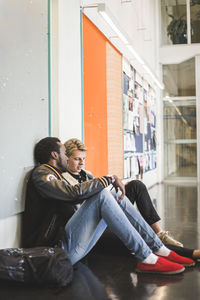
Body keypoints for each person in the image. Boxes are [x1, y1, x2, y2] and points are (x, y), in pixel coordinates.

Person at [22, 137, 195, 276]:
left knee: (113, 193)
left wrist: (108, 181)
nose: (67, 158)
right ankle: (148, 257)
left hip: (70, 244)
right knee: (103, 194)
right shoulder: (42, 174)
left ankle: (158, 248)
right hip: (57, 251)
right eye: (64, 153)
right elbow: (72, 194)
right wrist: (108, 179)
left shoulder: (56, 174)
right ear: (54, 154)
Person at [64, 138, 200, 260]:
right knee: (139, 235)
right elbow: (84, 206)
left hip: (105, 211)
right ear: (66, 158)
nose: (82, 163)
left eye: (83, 159)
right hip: (94, 226)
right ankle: (190, 253)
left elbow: (99, 193)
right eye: (77, 159)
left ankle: (159, 233)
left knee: (136, 185)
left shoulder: (87, 174)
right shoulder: (64, 181)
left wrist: (118, 187)